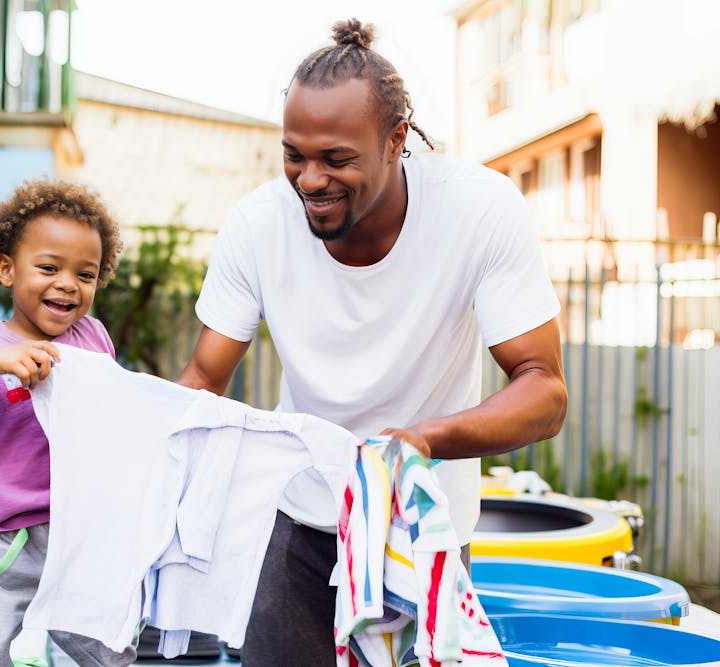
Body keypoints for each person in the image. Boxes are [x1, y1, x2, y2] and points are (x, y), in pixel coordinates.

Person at [176, 18, 568, 667]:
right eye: (294, 155)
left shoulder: (480, 211)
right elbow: (201, 379)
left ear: (395, 141)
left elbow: (544, 390)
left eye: (335, 158)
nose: (308, 178)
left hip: (423, 532)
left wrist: (422, 439)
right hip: (300, 524)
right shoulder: (256, 225)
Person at [0, 179, 124, 666]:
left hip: (80, 532)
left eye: (86, 274)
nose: (68, 284)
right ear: (8, 269)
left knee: (109, 652)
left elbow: (115, 416)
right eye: (49, 268)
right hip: (8, 538)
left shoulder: (93, 336)